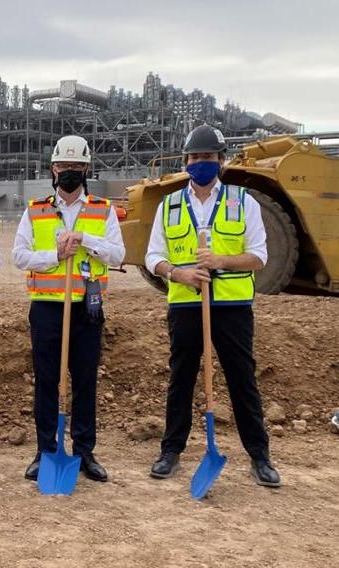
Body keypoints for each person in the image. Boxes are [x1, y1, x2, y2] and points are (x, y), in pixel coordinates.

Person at [145, 124, 280, 487]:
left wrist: (220, 259)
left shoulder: (242, 201)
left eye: (207, 157)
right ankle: (170, 451)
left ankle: (260, 456)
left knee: (242, 379)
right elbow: (152, 256)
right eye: (194, 157)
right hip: (186, 305)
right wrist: (178, 274)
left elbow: (259, 257)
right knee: (181, 378)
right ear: (186, 162)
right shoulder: (170, 205)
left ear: (220, 161)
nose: (199, 163)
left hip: (232, 306)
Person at [13, 135, 125, 483]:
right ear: (53, 170)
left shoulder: (103, 209)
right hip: (47, 308)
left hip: (86, 309)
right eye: (64, 167)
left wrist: (85, 241)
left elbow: (119, 255)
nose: (70, 173)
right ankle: (45, 450)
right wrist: (55, 256)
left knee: (85, 380)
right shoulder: (35, 210)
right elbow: (19, 256)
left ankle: (84, 451)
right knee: (47, 381)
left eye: (77, 167)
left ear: (86, 169)